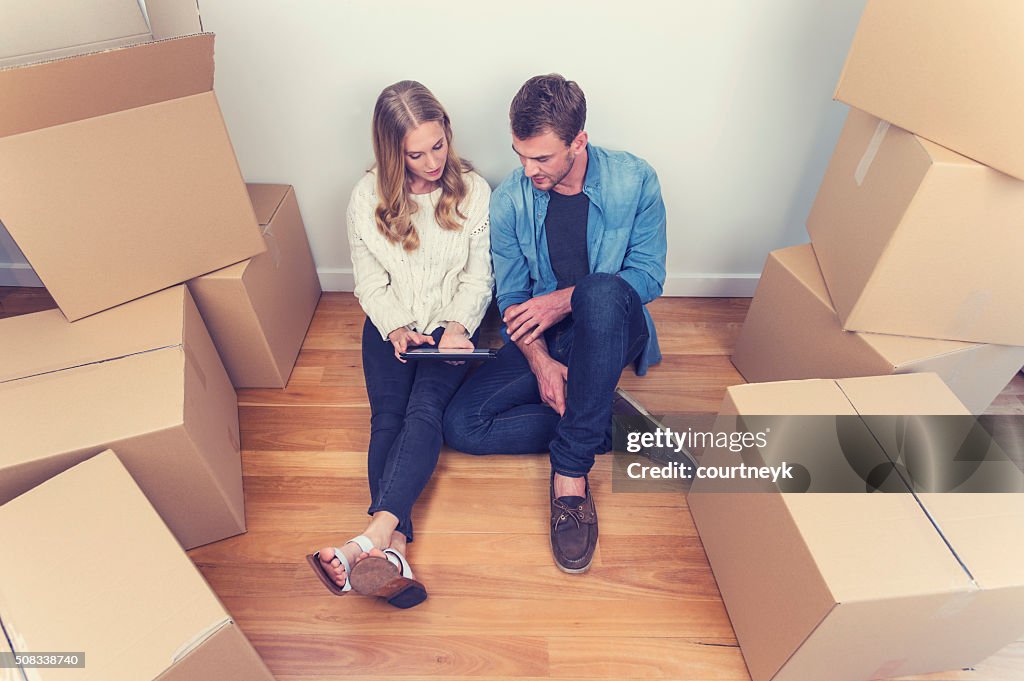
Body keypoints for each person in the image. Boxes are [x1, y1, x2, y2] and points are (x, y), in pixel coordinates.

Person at [443, 74, 666, 574]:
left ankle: (570, 473)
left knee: (601, 290)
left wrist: (563, 300)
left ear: (578, 142)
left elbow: (649, 277)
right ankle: (607, 422)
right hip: (547, 340)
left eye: (541, 158)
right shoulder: (510, 200)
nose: (528, 169)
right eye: (520, 154)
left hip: (613, 325)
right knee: (461, 426)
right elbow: (516, 298)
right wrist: (542, 363)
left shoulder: (635, 179)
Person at [307, 80, 492, 608]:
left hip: (450, 329)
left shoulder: (474, 191)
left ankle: (367, 539)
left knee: (425, 410)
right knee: (387, 417)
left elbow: (480, 278)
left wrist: (457, 326)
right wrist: (393, 328)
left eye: (439, 145)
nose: (433, 161)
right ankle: (394, 554)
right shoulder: (365, 198)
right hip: (390, 325)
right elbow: (367, 281)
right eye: (417, 153)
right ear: (393, 152)